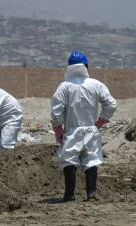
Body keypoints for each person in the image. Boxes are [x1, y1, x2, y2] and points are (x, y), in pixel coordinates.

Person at [50, 50, 117, 202]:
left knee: (69, 160)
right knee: (91, 159)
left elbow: (56, 110)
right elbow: (111, 104)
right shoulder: (96, 85)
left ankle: (69, 195)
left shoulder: (65, 87)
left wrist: (57, 130)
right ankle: (91, 194)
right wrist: (101, 121)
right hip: (91, 129)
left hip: (72, 129)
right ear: (86, 66)